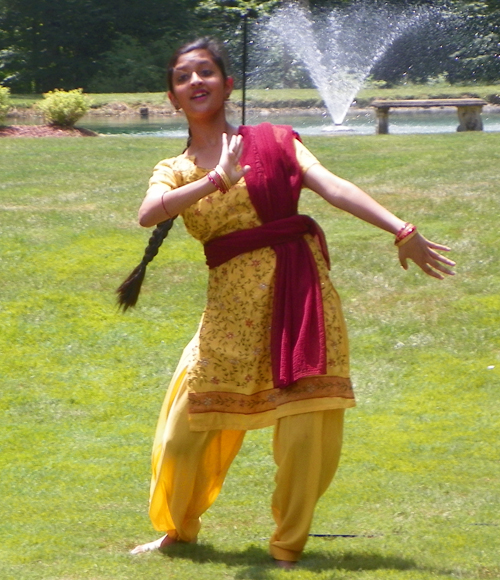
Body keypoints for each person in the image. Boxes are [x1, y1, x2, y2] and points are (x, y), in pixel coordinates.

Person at [120, 37, 455, 568]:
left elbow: (332, 186)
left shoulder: (274, 140)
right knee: (183, 435)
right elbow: (148, 213)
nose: (196, 82)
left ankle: (287, 548)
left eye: (206, 72)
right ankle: (177, 531)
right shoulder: (177, 168)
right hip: (228, 315)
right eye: (184, 77)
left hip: (298, 298)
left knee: (303, 434)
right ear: (174, 98)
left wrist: (400, 228)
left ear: (228, 85)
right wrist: (215, 180)